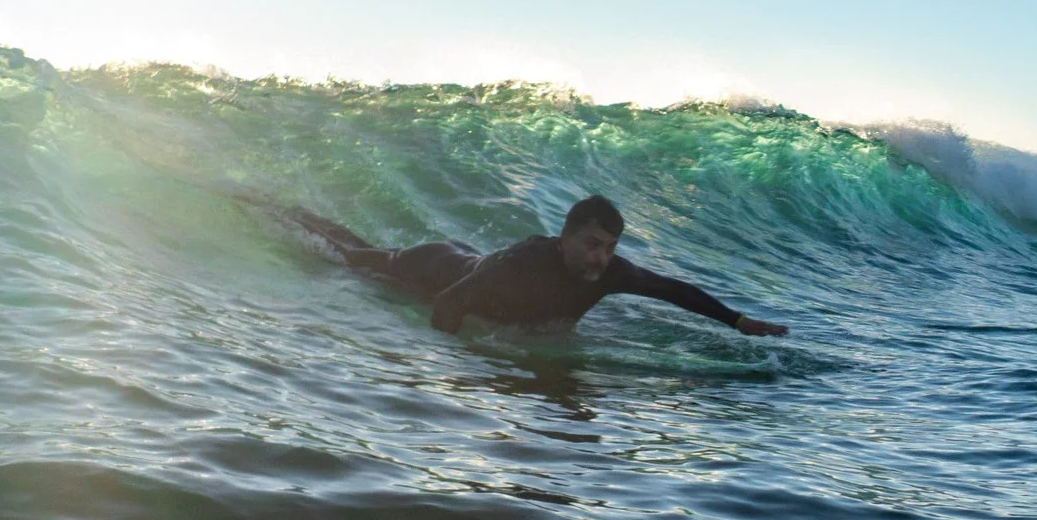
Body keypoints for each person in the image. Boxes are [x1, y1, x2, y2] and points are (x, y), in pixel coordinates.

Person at [284, 195, 789, 337]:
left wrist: (739, 322)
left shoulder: (609, 273)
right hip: (431, 266)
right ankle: (285, 211)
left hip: (463, 261)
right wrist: (455, 360)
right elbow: (447, 302)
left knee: (355, 248)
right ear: (563, 238)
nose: (601, 257)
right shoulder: (525, 262)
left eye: (610, 247)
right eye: (592, 244)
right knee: (350, 255)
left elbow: (673, 290)